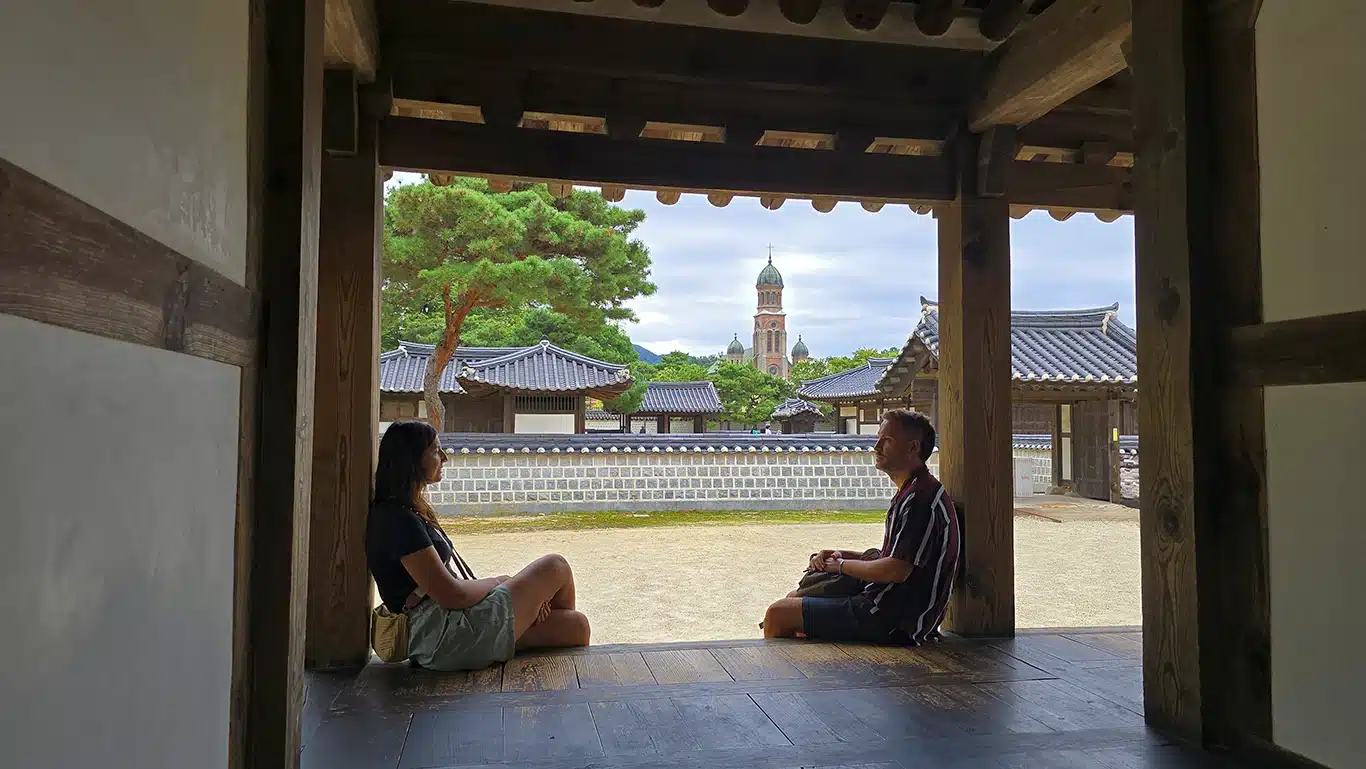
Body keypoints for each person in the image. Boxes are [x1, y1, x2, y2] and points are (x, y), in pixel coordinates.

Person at [366, 420, 590, 670]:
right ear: (412, 459)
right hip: (443, 632)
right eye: (435, 451)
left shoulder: (402, 511)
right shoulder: (398, 520)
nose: (444, 457)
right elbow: (453, 595)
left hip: (441, 632)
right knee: (556, 566)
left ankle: (530, 622)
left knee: (576, 627)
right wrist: (497, 581)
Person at [761, 409, 959, 645]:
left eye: (886, 441)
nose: (876, 446)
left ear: (913, 448)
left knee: (778, 614)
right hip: (885, 602)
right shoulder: (913, 490)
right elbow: (893, 557)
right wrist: (840, 556)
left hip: (894, 619)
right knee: (795, 597)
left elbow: (896, 570)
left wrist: (841, 566)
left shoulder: (921, 500)